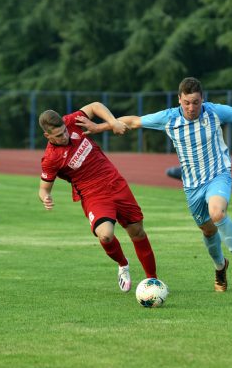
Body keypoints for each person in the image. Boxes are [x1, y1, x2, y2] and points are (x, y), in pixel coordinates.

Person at [78, 77, 232, 292]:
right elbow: (133, 121)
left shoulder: (214, 112)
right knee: (208, 231)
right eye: (187, 102)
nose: (192, 107)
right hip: (192, 186)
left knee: (217, 213)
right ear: (179, 99)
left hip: (219, 174)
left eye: (196, 102)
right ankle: (220, 267)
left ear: (203, 100)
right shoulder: (169, 118)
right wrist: (99, 127)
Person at [38, 106, 158, 292]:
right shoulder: (50, 159)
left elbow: (95, 106)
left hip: (115, 182)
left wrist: (113, 122)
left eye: (64, 131)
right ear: (48, 136)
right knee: (106, 235)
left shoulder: (72, 121)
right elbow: (43, 189)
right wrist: (46, 197)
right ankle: (123, 264)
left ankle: (153, 281)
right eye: (59, 135)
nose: (65, 136)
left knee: (137, 232)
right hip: (93, 195)